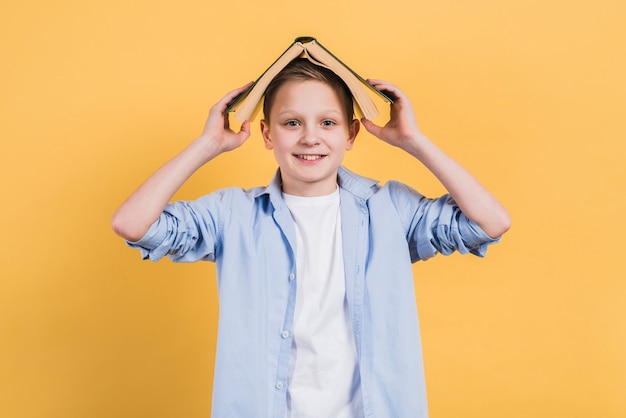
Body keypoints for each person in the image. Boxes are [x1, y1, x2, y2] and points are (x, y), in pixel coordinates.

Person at [112, 58, 511, 418]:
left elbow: (491, 222)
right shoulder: (232, 215)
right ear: (267, 134)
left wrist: (414, 141)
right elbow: (132, 224)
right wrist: (207, 145)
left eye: (327, 122)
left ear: (351, 133)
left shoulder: (390, 209)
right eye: (291, 123)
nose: (310, 137)